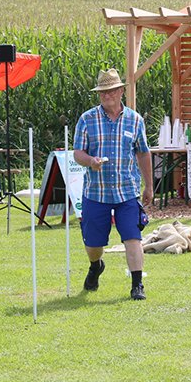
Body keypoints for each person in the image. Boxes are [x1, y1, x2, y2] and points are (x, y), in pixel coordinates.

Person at [73, 68, 154, 300]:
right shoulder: (87, 119)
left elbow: (143, 153)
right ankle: (96, 265)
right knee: (93, 244)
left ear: (121, 92)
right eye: (102, 92)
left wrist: (148, 186)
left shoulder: (135, 120)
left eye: (110, 91)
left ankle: (137, 285)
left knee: (132, 237)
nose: (106, 95)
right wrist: (91, 161)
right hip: (95, 191)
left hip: (126, 190)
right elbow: (78, 153)